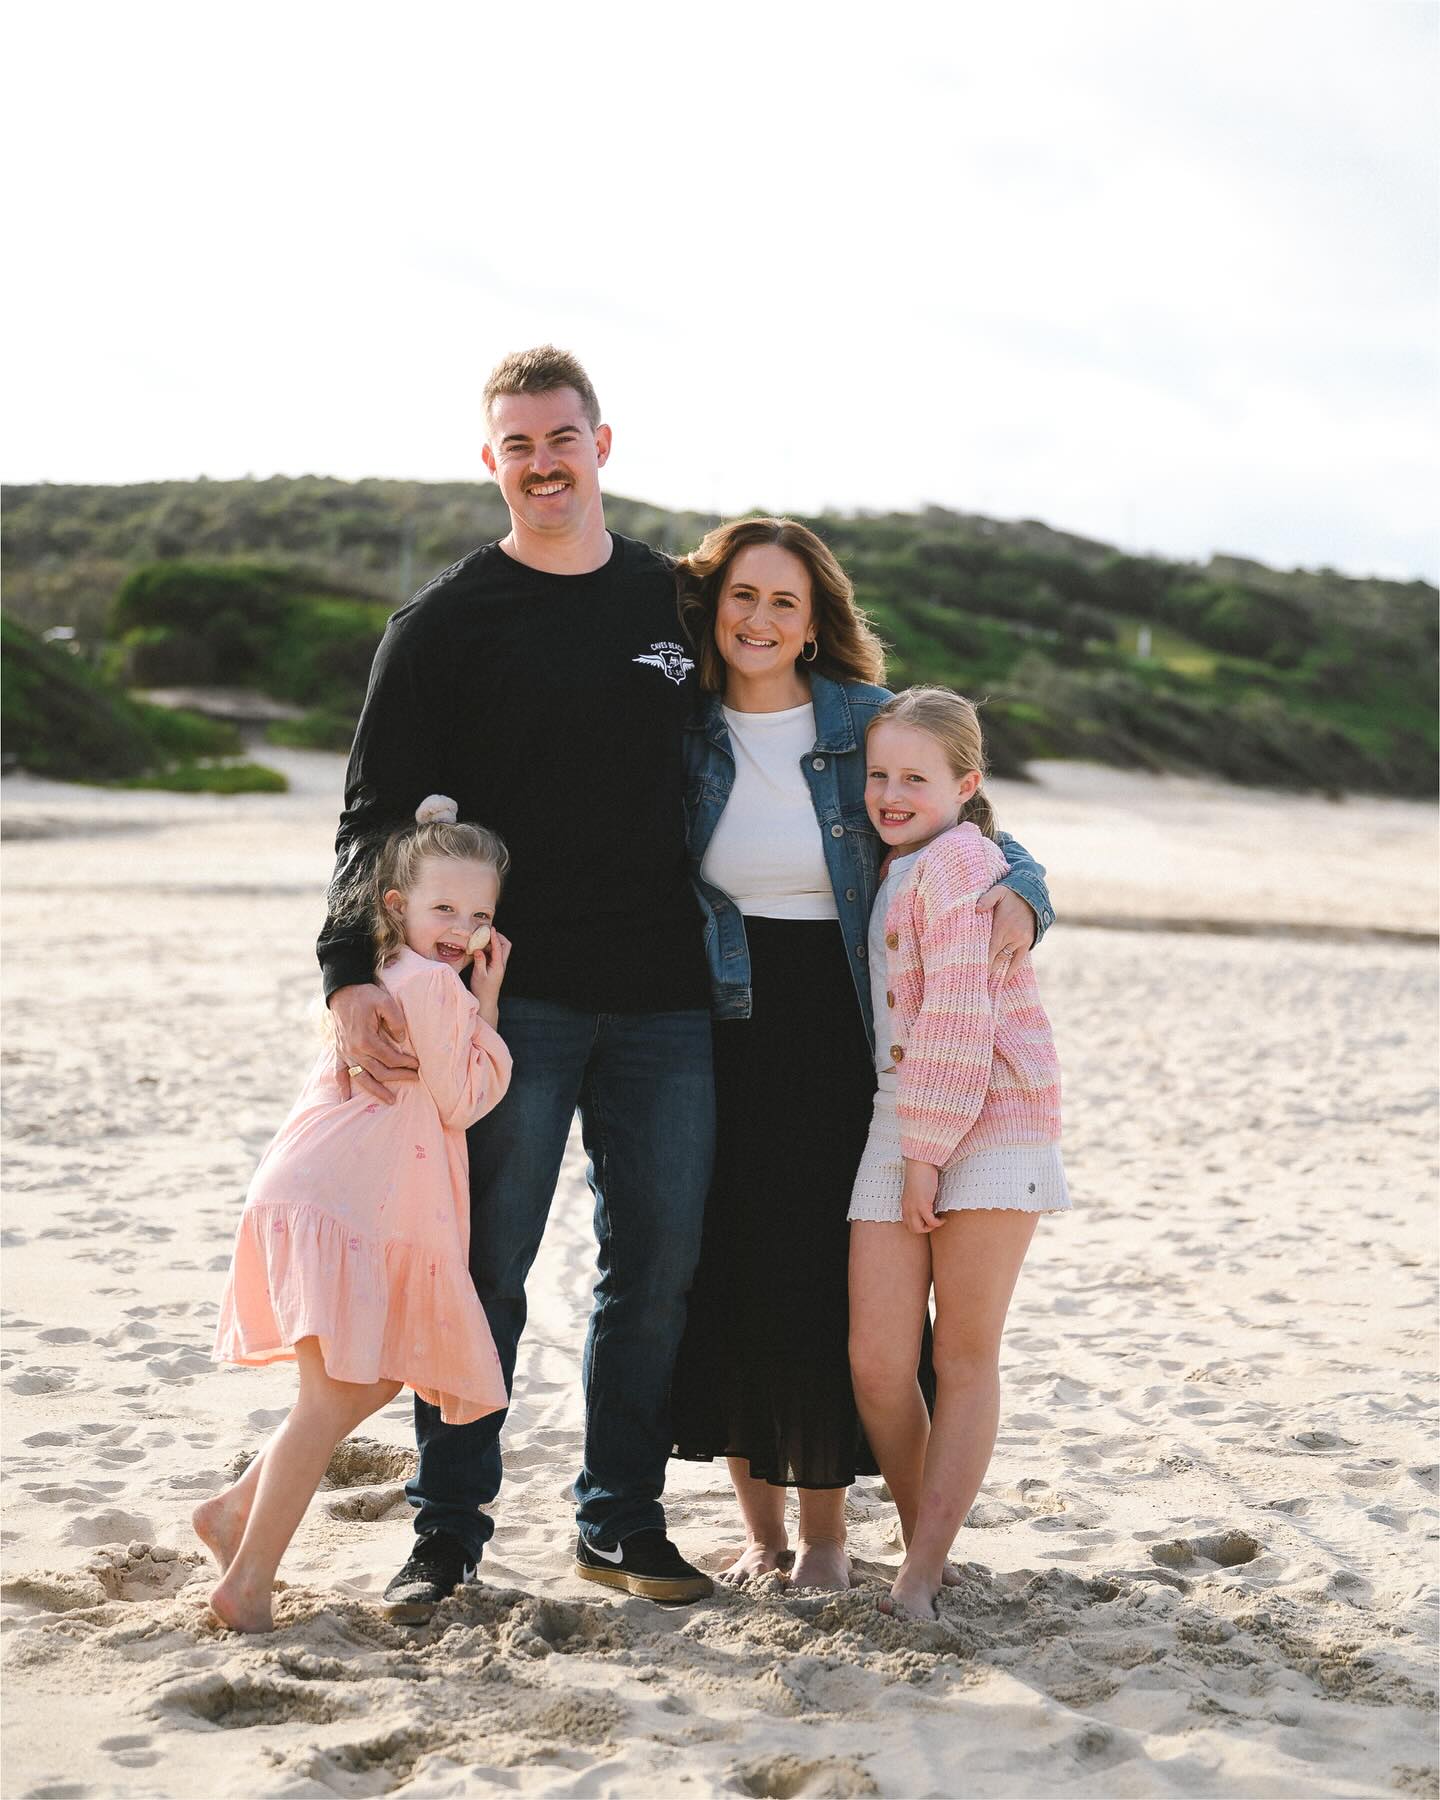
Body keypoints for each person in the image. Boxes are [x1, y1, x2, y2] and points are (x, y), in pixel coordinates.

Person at [321, 346, 716, 1614]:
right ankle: (446, 1536)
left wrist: (1010, 865)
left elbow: (827, 728)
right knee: (482, 1269)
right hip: (508, 1006)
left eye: (563, 439)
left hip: (667, 997)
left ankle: (619, 1522)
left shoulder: (680, 604)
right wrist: (346, 975)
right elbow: (371, 818)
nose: (543, 464)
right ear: (489, 459)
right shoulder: (443, 626)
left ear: (605, 445)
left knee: (654, 1268)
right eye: (518, 445)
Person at [668, 519, 1055, 1590]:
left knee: (819, 1298)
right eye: (743, 597)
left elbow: (977, 829)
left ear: (814, 621)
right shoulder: (682, 725)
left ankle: (839, 1541)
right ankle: (762, 1534)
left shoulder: (858, 718)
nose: (760, 620)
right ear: (716, 608)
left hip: (845, 1035)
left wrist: (1029, 892)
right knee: (730, 1282)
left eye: (785, 602)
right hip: (717, 1028)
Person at [201, 799, 514, 1631]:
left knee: (369, 1374)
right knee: (329, 1393)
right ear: (394, 905)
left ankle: (235, 1510)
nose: (461, 928)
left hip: (319, 1188)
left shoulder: (378, 981)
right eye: (443, 908)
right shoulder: (439, 993)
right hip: (348, 1202)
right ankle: (248, 1580)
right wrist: (488, 1006)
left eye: (479, 915)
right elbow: (465, 1099)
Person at [848, 687, 1070, 1620]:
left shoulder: (963, 860)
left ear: (966, 784)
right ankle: (924, 1545)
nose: (891, 794)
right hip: (903, 1115)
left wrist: (927, 1153)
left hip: (991, 1117)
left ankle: (921, 1572)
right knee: (876, 1361)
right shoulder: (893, 861)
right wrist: (911, 1142)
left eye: (915, 778)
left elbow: (959, 1014)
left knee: (967, 1352)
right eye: (878, 776)